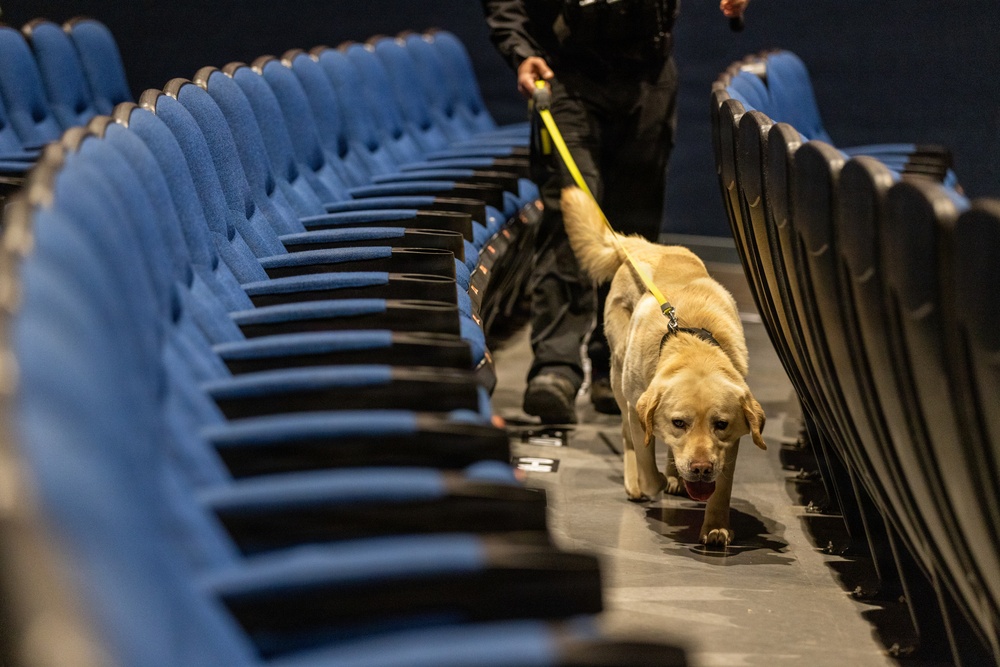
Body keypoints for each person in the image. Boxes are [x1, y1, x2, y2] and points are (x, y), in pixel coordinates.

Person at [481, 0, 750, 424]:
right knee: (572, 221)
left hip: (648, 76)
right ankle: (556, 371)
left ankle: (618, 366)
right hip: (564, 75)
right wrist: (519, 50)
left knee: (635, 233)